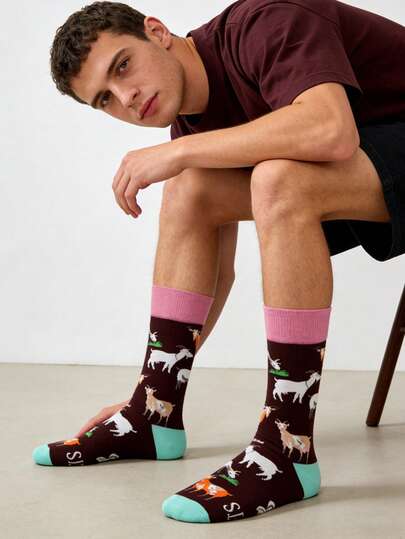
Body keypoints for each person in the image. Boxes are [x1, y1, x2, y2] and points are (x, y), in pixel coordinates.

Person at [33, 0, 405, 524]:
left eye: (123, 66)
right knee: (190, 191)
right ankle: (155, 411)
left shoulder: (270, 21)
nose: (126, 97)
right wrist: (149, 387)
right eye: (105, 100)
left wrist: (181, 153)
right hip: (379, 165)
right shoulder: (190, 123)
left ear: (157, 32)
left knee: (278, 179)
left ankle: (288, 449)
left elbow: (330, 130)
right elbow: (219, 274)